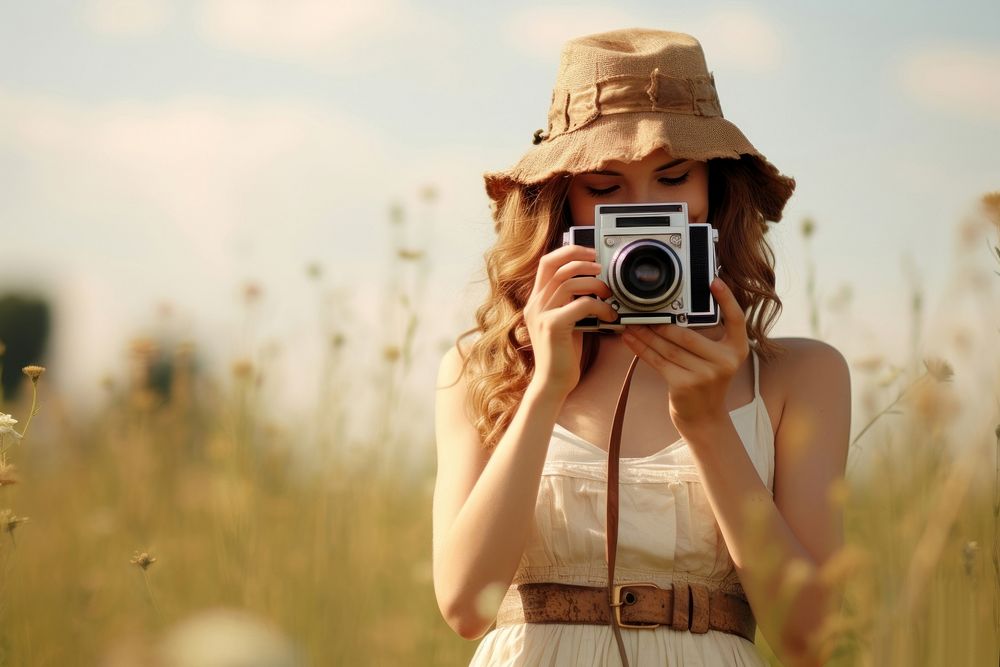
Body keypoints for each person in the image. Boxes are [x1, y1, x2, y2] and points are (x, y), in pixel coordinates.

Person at [432, 28, 851, 667]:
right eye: (605, 187)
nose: (643, 212)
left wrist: (710, 424)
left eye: (673, 176)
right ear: (562, 200)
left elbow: (809, 640)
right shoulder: (488, 370)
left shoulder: (801, 375)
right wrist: (545, 388)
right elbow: (466, 606)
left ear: (716, 187)